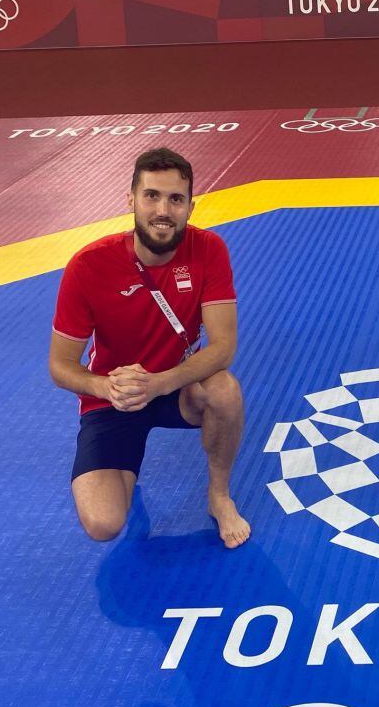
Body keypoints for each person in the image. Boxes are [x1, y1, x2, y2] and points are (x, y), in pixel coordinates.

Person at [49, 147, 250, 548]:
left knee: (225, 391)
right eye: (152, 196)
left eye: (175, 199)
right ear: (131, 200)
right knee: (103, 525)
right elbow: (60, 365)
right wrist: (107, 388)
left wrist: (159, 384)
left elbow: (223, 348)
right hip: (115, 396)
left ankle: (219, 495)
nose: (163, 209)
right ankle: (124, 467)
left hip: (174, 385)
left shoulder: (209, 250)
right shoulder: (89, 266)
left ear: (190, 207)